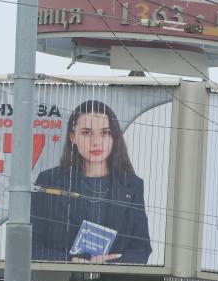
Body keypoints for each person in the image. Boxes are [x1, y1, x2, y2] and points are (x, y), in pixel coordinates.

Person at [31, 100, 151, 264]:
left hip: (112, 278)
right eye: (87, 132)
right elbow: (31, 246)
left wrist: (109, 264)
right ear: (73, 137)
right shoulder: (49, 180)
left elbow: (141, 249)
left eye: (105, 132)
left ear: (114, 138)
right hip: (61, 277)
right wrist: (70, 261)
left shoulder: (132, 185)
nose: (96, 141)